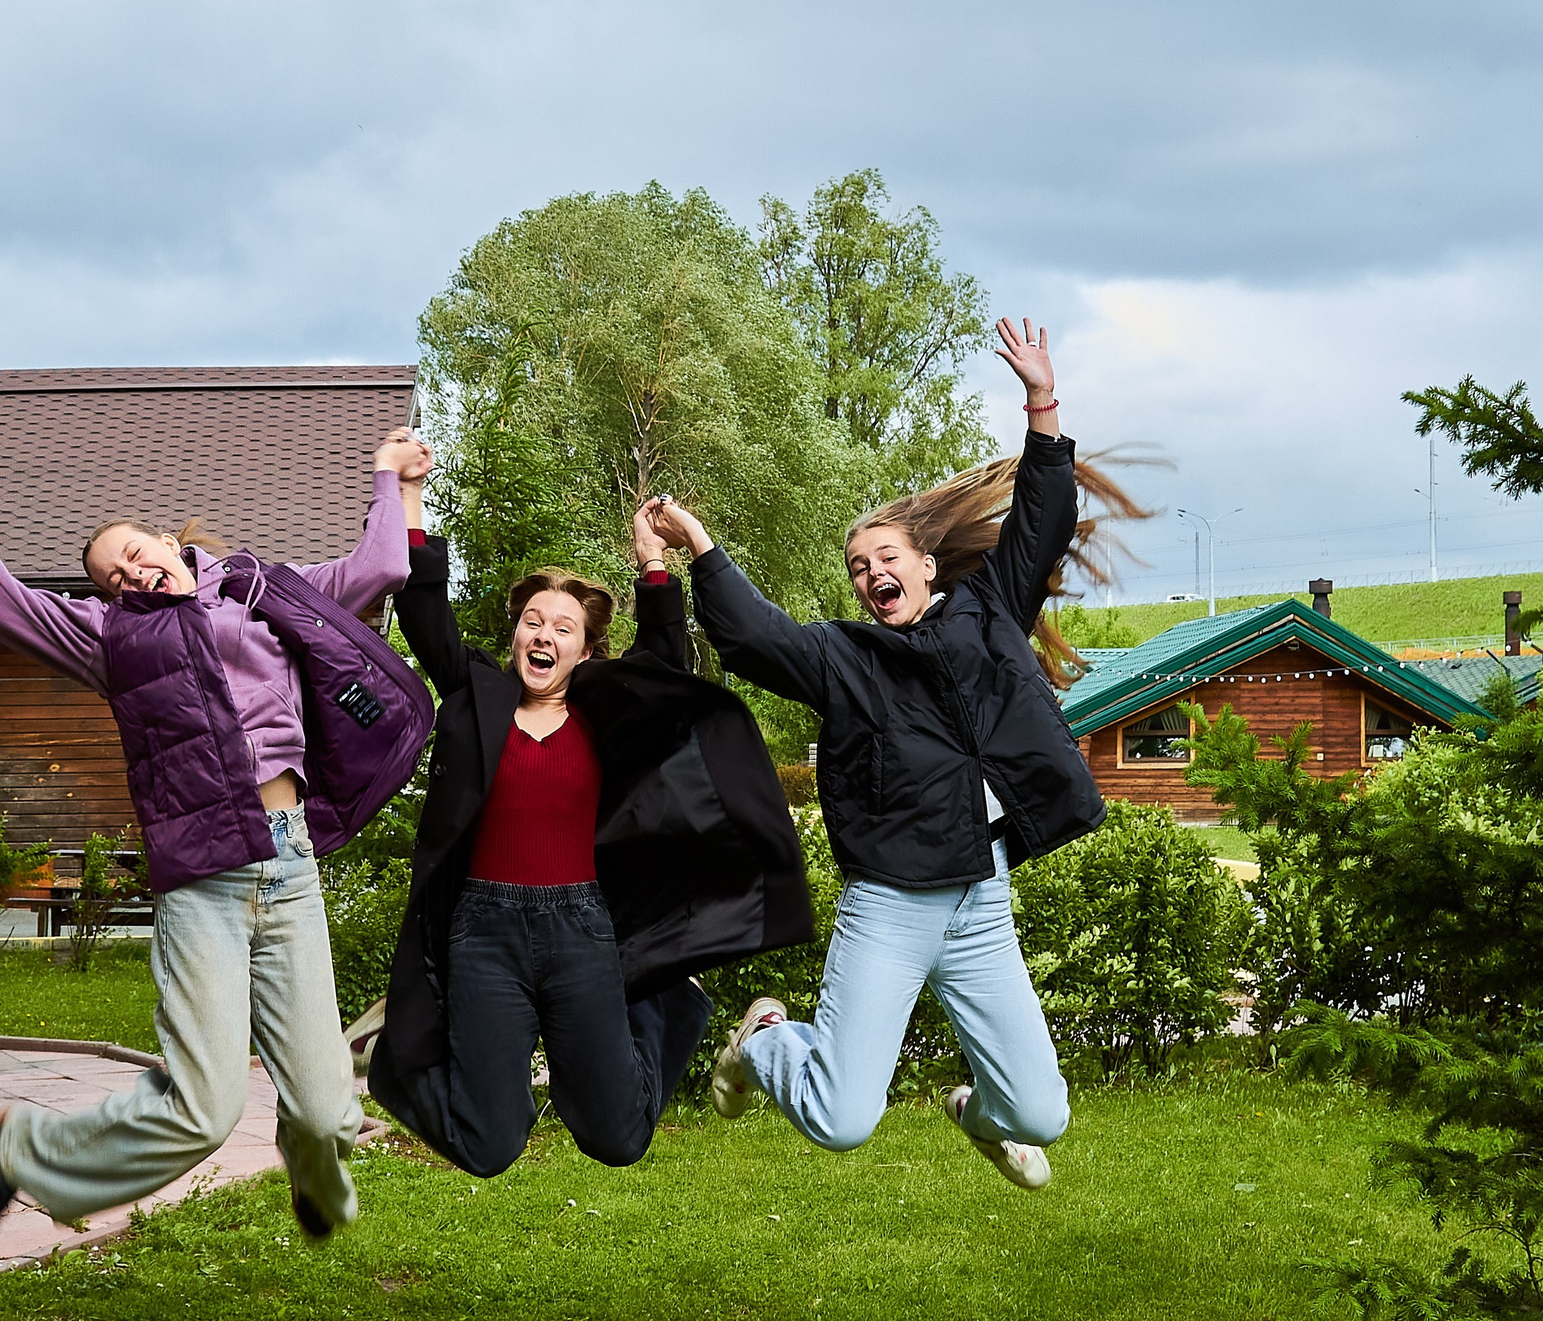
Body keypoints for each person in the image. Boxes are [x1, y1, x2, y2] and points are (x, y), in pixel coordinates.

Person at [0, 415, 436, 1243]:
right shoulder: (114, 639)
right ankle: (26, 1155)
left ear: (164, 538)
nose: (131, 574)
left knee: (331, 1114)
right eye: (114, 577)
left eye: (134, 552)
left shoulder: (263, 588)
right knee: (204, 1111)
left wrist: (390, 480)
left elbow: (383, 565)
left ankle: (313, 1164)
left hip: (290, 864)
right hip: (205, 880)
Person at [645, 317, 1139, 1191]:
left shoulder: (990, 609)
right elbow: (755, 638)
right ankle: (766, 1041)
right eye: (856, 566)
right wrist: (702, 549)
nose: (871, 572)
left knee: (1039, 1114)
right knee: (841, 1119)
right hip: (891, 904)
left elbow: (1044, 515)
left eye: (884, 556)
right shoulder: (844, 656)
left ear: (925, 566)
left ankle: (971, 1112)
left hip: (980, 902)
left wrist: (1040, 400)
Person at [358, 508, 815, 1178]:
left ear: (586, 649)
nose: (543, 635)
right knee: (488, 1147)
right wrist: (412, 503)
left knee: (619, 1136)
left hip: (581, 931)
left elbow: (664, 655)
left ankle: (670, 996)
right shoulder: (476, 694)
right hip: (483, 935)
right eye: (532, 622)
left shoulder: (606, 712)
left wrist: (652, 562)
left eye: (562, 628)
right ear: (515, 634)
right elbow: (427, 616)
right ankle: (392, 1060)